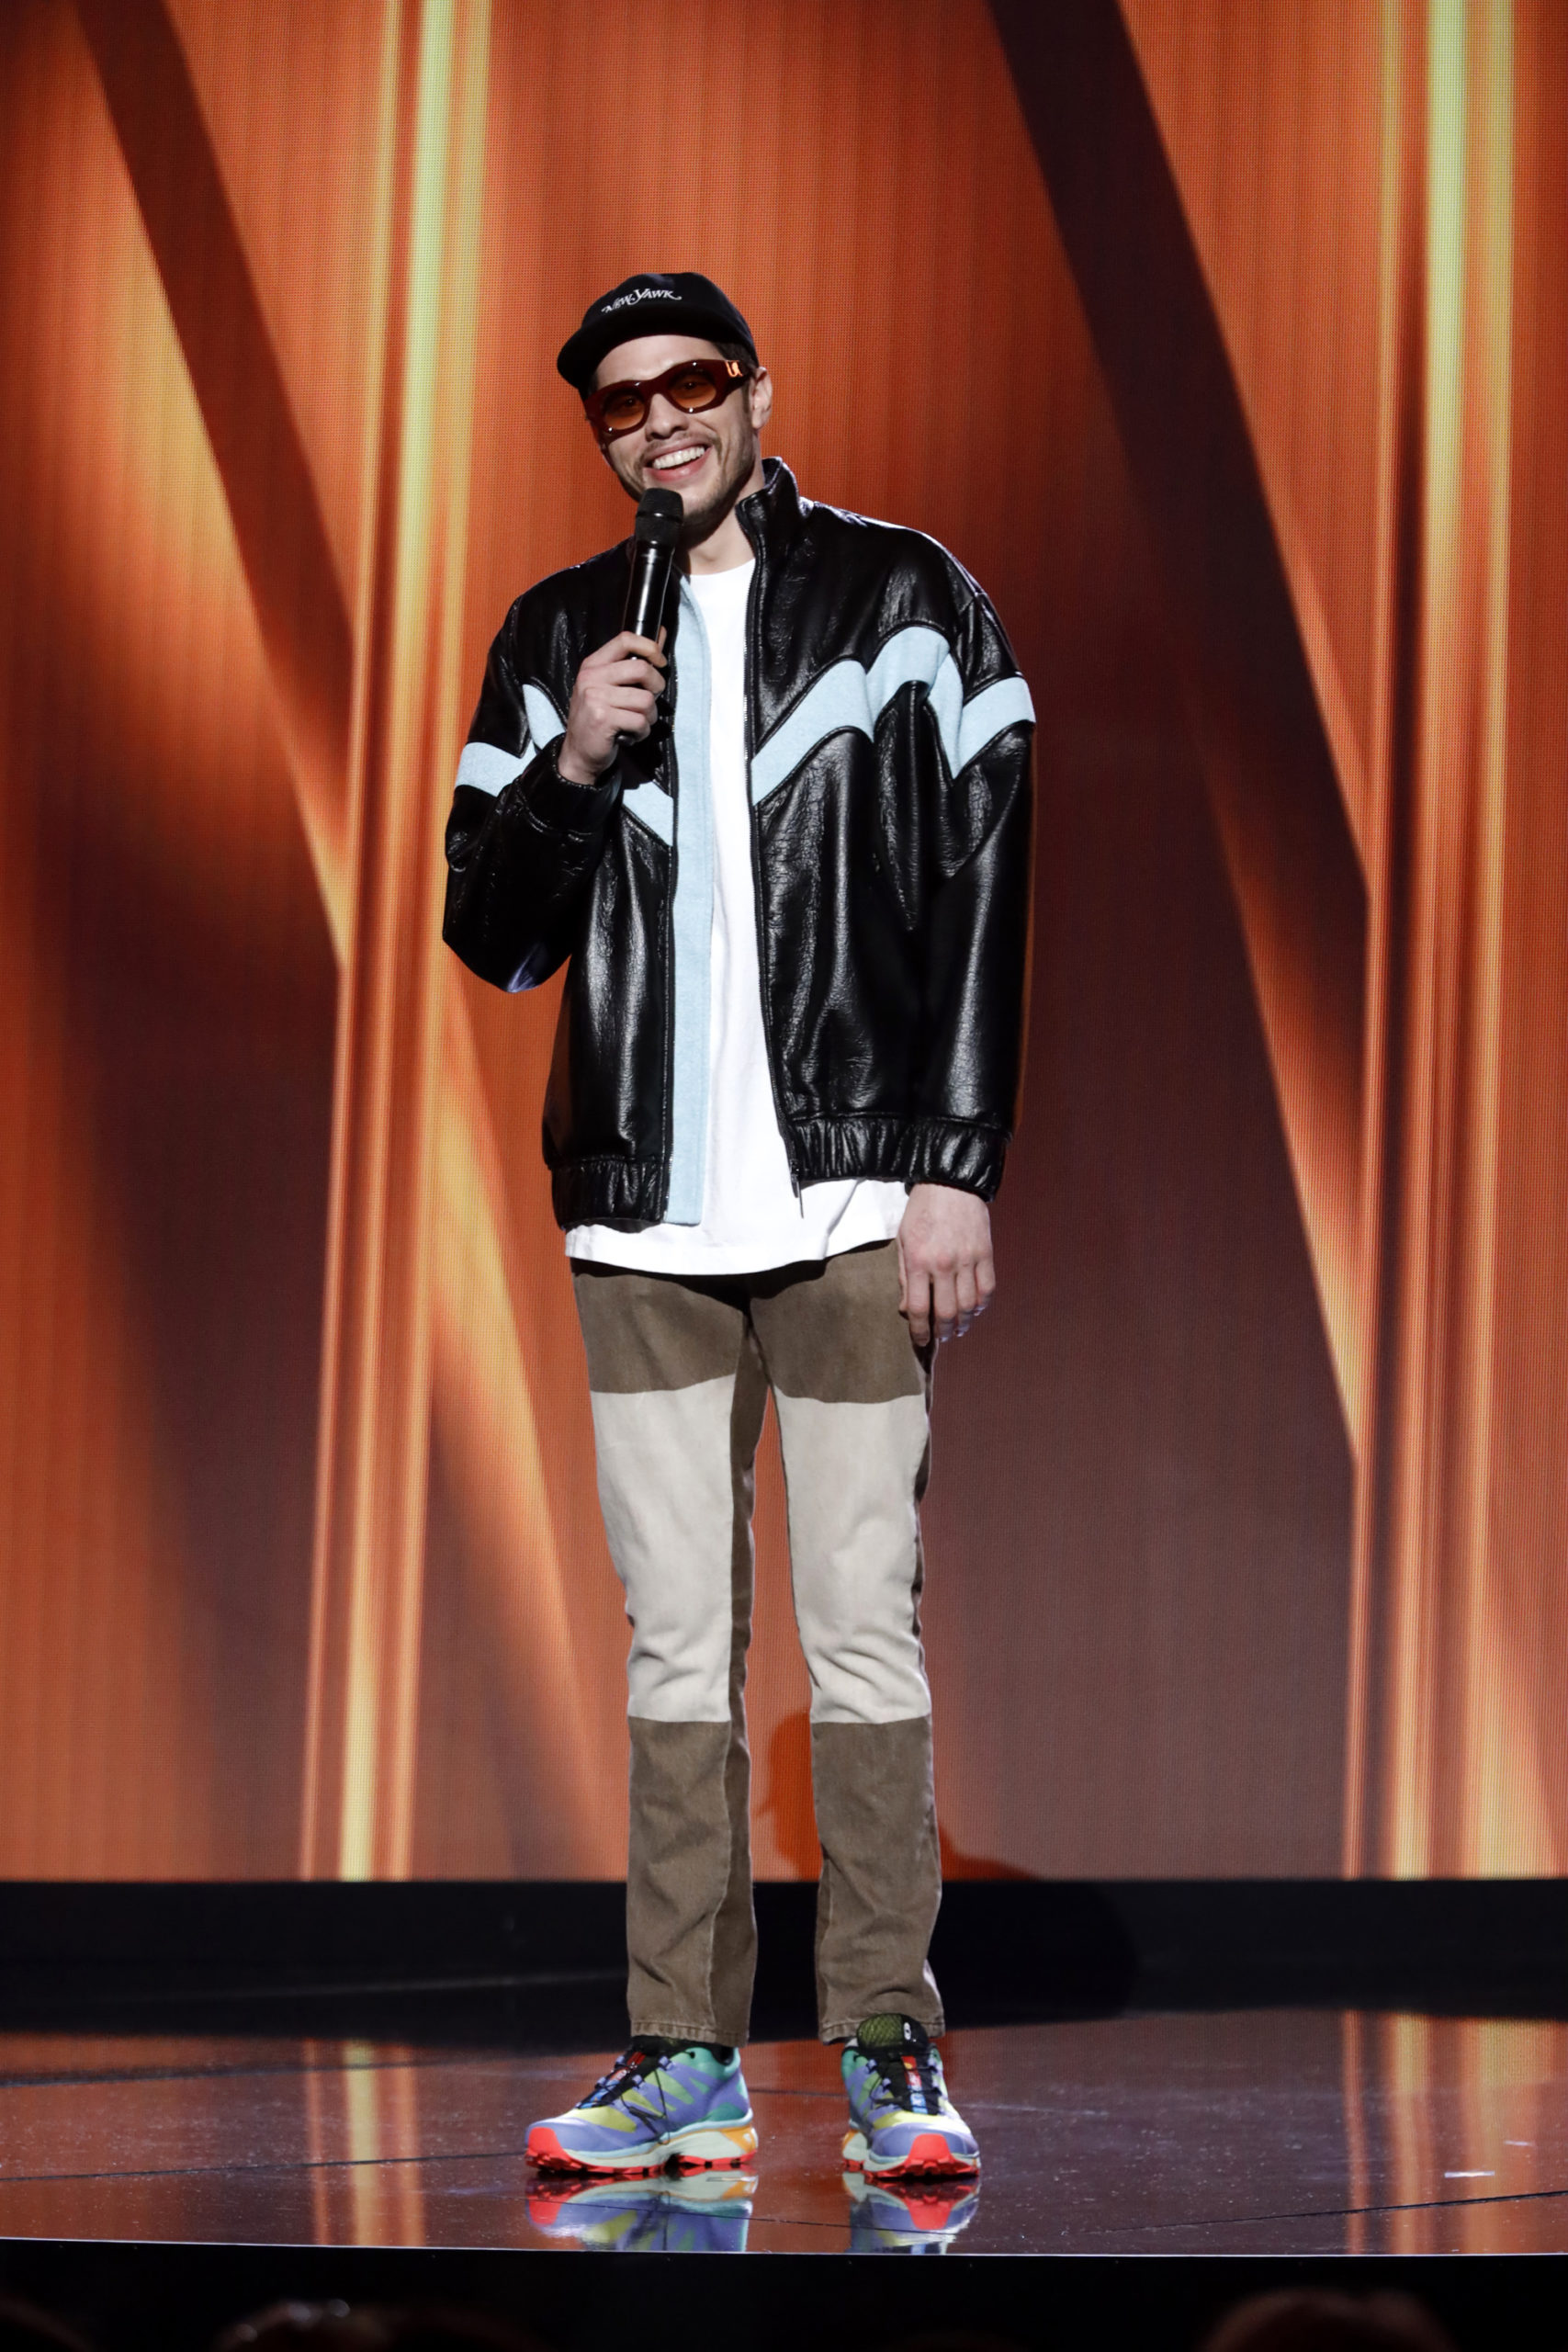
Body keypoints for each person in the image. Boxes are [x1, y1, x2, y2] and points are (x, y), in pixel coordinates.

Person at [443, 271, 1033, 2184]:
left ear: (754, 391)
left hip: (855, 1199)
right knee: (672, 1644)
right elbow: (489, 926)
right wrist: (568, 766)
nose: (658, 422)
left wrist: (955, 1158)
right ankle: (680, 2056)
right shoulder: (553, 636)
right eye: (621, 402)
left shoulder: (905, 596)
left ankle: (882, 2038)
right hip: (641, 1219)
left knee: (862, 1628)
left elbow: (982, 879)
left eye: (689, 383)